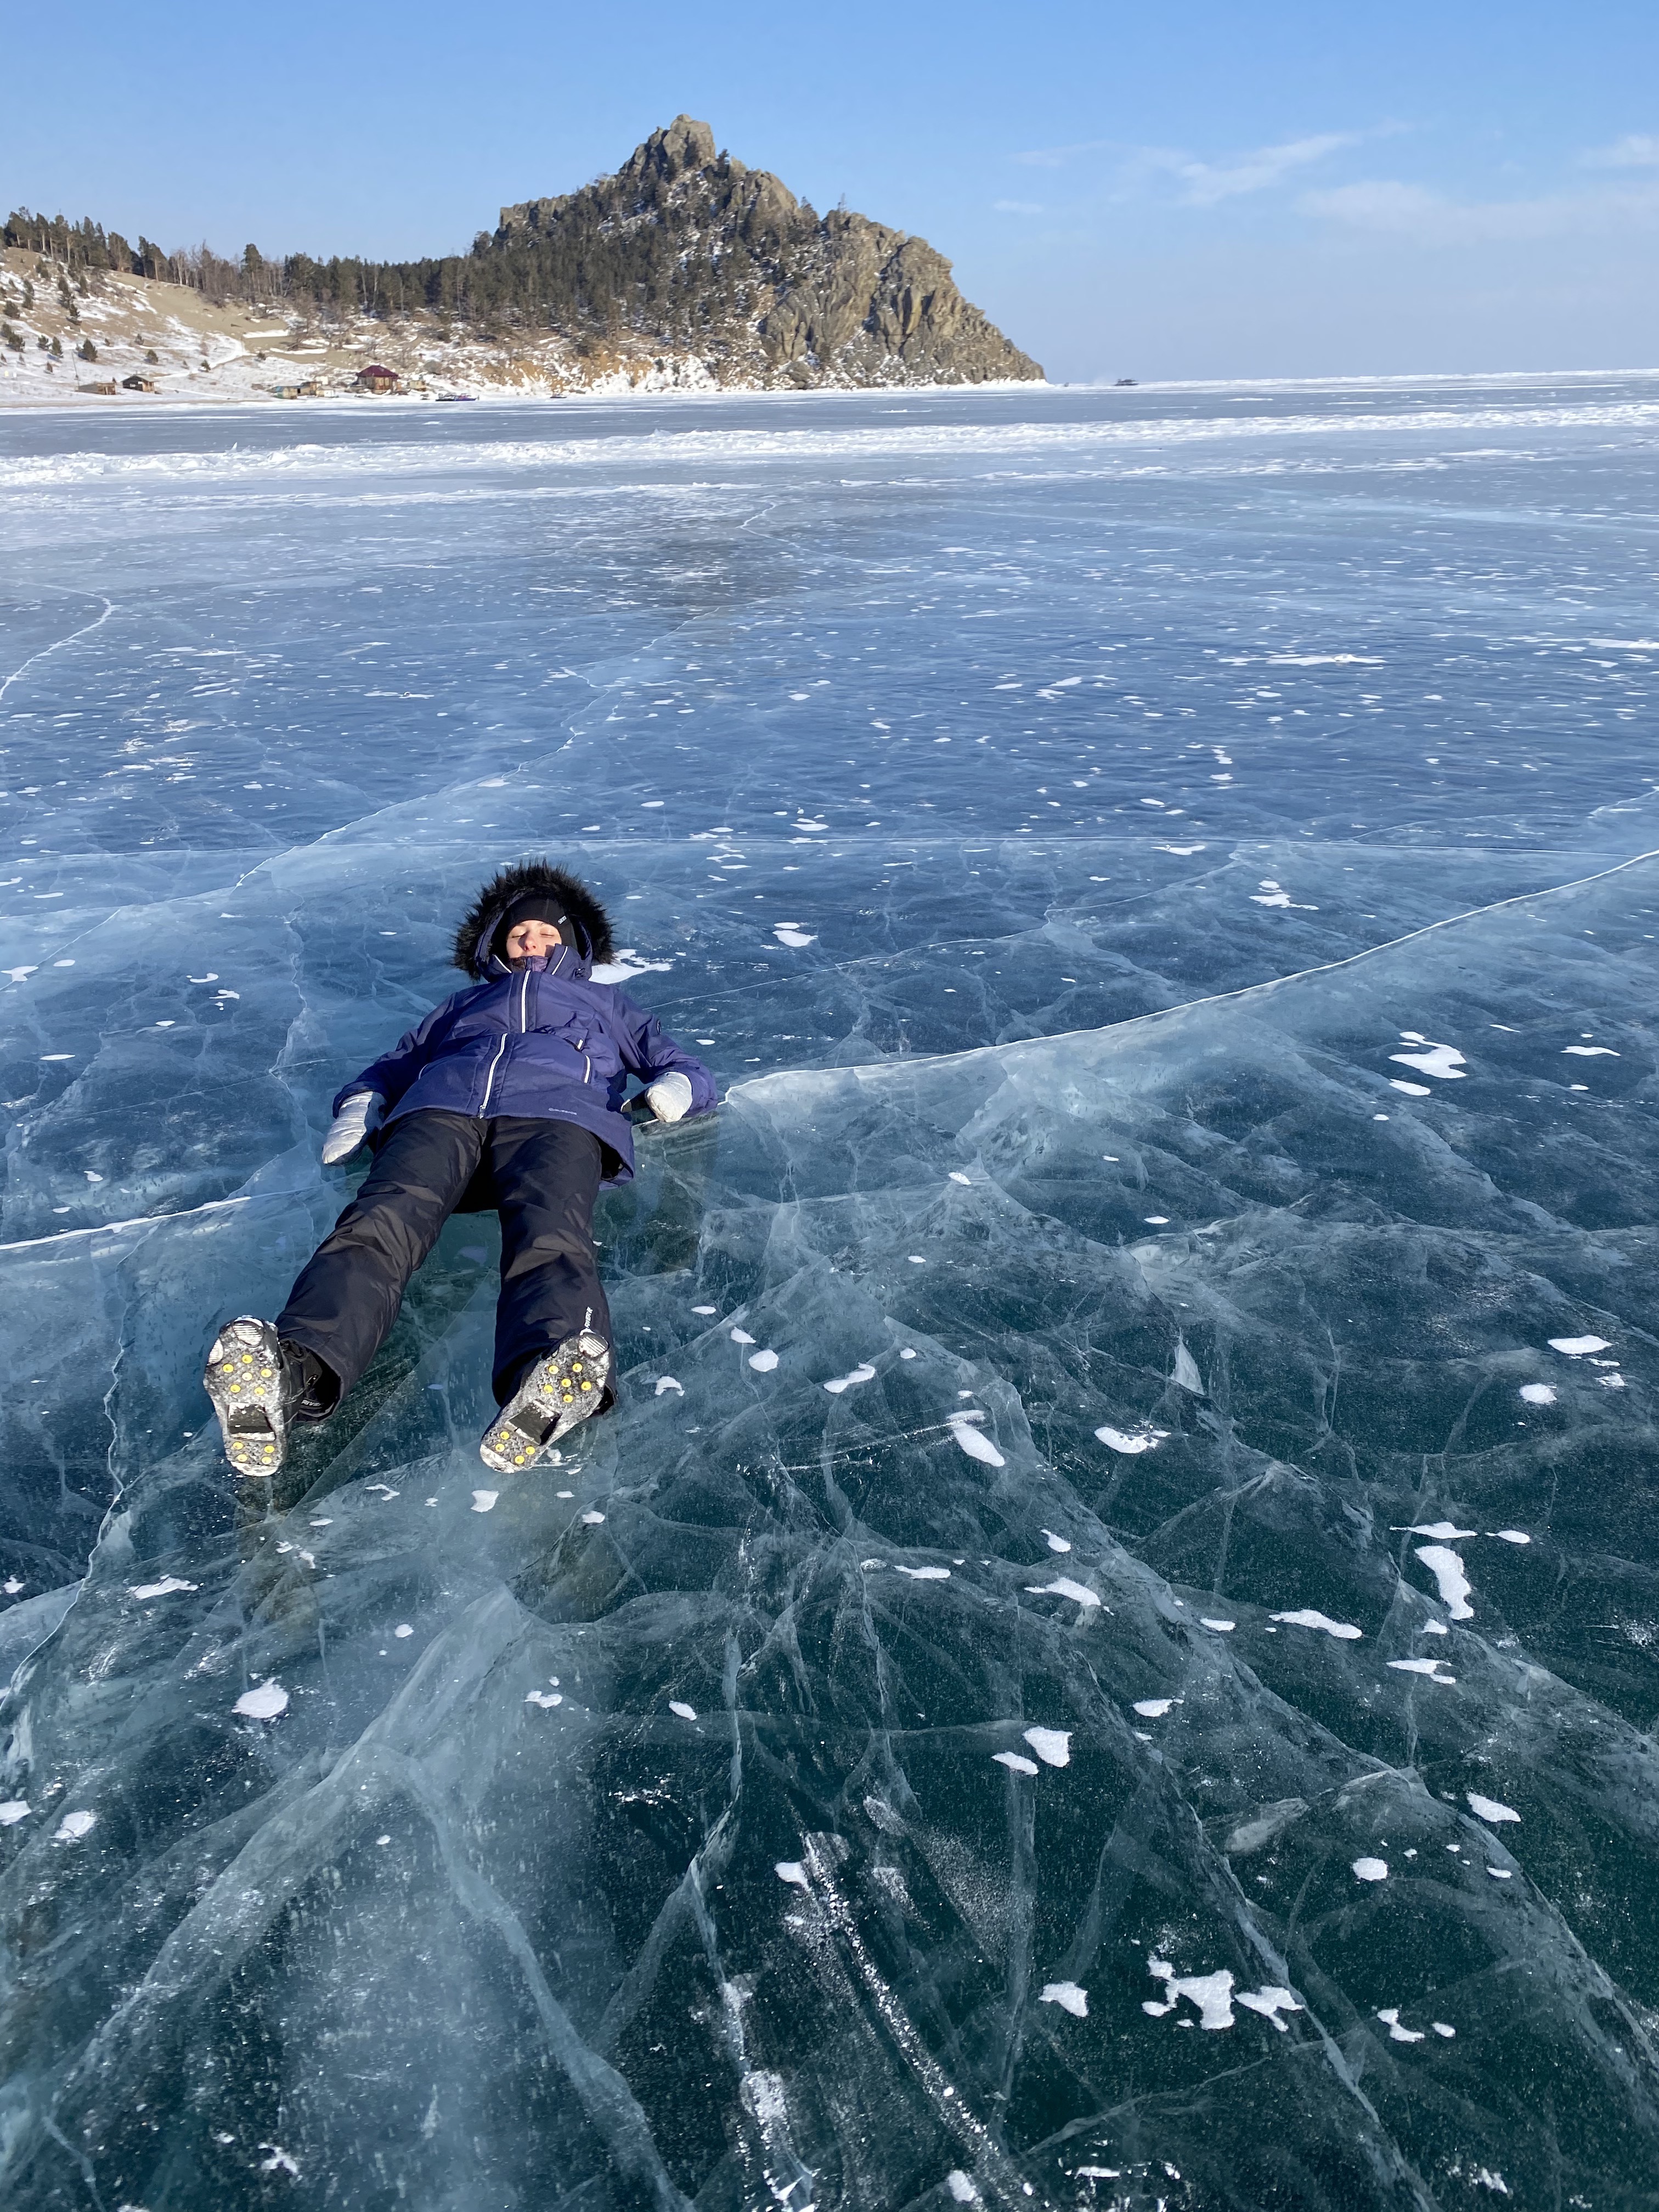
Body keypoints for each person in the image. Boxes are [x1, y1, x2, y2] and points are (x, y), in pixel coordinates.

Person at [203, 861, 715, 1480]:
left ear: (572, 944)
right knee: (377, 1225)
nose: (533, 943)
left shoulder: (604, 1002)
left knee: (551, 1237)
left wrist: (676, 1089)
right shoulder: (462, 1005)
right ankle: (296, 1372)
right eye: (520, 934)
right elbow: (392, 1066)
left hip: (559, 1116)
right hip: (440, 1111)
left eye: (548, 935)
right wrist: (360, 1106)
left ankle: (548, 1381)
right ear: (497, 943)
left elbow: (679, 1061)